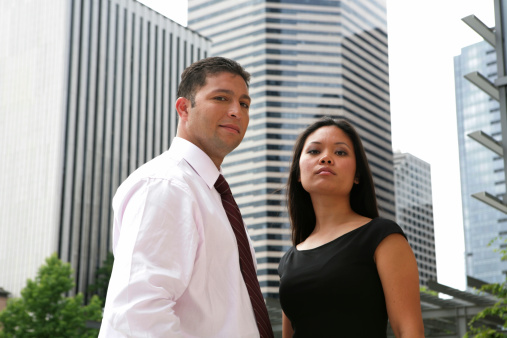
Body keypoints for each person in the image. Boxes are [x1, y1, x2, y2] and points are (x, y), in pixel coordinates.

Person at [100, 57, 273, 337]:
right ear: (184, 108)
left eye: (244, 104)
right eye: (221, 98)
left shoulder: (210, 194)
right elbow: (137, 315)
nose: (236, 112)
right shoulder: (166, 185)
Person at [278, 117, 424, 337]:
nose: (326, 158)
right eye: (314, 151)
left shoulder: (382, 237)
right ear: (298, 173)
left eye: (340, 152)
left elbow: (409, 331)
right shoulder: (289, 259)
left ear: (357, 175)